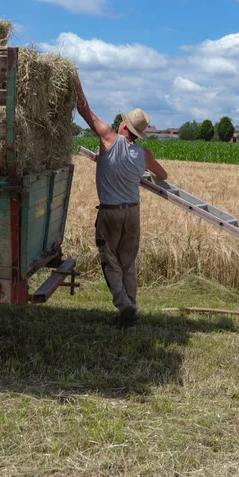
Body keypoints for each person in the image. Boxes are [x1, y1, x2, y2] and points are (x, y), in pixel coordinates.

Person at [75, 74, 168, 326]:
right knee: (128, 262)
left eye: (122, 122)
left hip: (111, 213)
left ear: (125, 127)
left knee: (110, 260)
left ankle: (124, 306)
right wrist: (140, 170)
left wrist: (76, 82)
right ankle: (132, 306)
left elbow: (85, 110)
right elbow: (163, 175)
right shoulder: (143, 153)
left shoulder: (107, 138)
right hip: (133, 213)